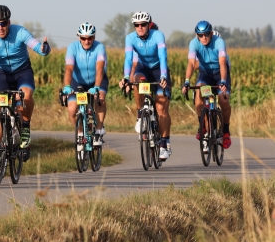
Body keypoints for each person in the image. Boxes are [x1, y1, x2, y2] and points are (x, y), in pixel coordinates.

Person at [0, 5, 51, 154]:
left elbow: (36, 46)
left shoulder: (20, 32)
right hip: (3, 75)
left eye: (3, 23)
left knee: (26, 95)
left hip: (22, 72)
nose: (0, 27)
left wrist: (44, 49)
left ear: (9, 22)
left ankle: (25, 126)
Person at [119, 11, 172, 160]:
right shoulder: (130, 38)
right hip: (143, 68)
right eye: (137, 25)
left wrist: (163, 76)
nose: (140, 27)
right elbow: (128, 59)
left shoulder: (157, 35)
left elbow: (163, 57)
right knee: (138, 81)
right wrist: (125, 77)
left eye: (143, 24)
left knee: (161, 107)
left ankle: (163, 143)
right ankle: (140, 114)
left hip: (158, 69)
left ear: (149, 25)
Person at [181, 21, 232, 151]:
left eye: (206, 34)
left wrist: (223, 82)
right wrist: (186, 81)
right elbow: (191, 64)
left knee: (223, 100)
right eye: (201, 35)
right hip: (205, 74)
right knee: (199, 94)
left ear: (211, 33)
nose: (204, 37)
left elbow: (222, 64)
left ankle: (225, 131)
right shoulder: (194, 43)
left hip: (219, 73)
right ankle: (202, 126)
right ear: (197, 35)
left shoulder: (219, 42)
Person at [62, 22, 108, 145]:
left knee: (101, 99)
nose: (87, 41)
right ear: (79, 38)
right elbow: (69, 69)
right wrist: (66, 86)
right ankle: (80, 133)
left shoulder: (99, 47)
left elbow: (99, 69)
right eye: (83, 38)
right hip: (77, 82)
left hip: (97, 80)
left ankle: (98, 130)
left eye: (90, 38)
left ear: (94, 37)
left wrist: (97, 87)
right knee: (72, 110)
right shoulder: (73, 47)